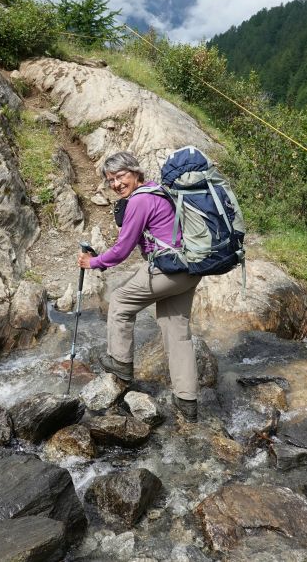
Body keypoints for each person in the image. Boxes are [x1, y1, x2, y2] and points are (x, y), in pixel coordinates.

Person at [77, 151, 201, 422]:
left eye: (120, 176)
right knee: (176, 330)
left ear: (135, 173)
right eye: (110, 180)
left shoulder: (140, 200)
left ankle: (120, 364)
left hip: (169, 269)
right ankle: (187, 402)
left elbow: (122, 250)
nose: (116, 184)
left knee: (120, 301)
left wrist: (93, 262)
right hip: (190, 268)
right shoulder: (159, 191)